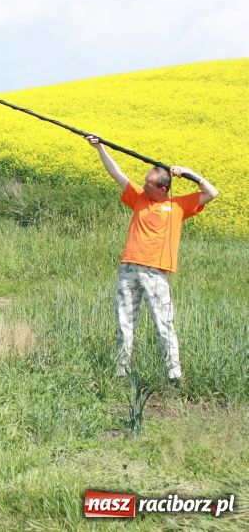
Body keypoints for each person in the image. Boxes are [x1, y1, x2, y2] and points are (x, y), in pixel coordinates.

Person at [86, 135, 219, 382]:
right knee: (124, 322)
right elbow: (116, 173)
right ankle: (121, 371)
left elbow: (212, 192)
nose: (144, 186)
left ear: (163, 188)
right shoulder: (139, 197)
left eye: (149, 184)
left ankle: (174, 374)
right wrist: (99, 148)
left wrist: (188, 173)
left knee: (164, 323)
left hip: (155, 272)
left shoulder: (179, 205)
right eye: (145, 182)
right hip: (128, 268)